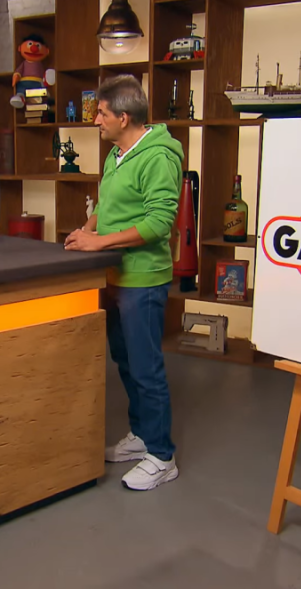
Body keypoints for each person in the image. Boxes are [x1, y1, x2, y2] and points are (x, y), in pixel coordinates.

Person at [65, 75, 183, 491]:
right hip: (114, 275)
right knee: (126, 361)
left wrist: (99, 242)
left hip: (143, 278)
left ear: (124, 116)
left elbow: (158, 222)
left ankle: (162, 456)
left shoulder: (159, 157)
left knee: (147, 368)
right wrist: (87, 229)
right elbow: (107, 205)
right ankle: (143, 435)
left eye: (101, 113)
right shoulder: (118, 153)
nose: (96, 120)